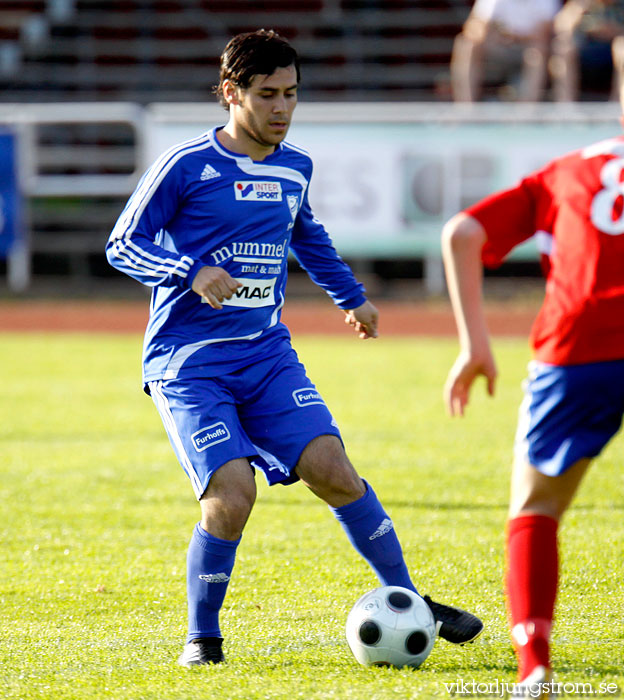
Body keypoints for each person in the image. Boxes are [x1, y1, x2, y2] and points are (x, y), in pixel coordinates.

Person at [106, 29, 483, 667]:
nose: (281, 108)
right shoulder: (185, 166)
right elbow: (122, 244)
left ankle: (409, 598)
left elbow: (306, 236)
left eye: (291, 95)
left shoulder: (295, 165)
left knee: (334, 471)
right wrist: (190, 271)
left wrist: (351, 297)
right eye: (267, 95)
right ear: (231, 94)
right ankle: (203, 637)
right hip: (190, 366)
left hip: (267, 356)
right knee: (232, 495)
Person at [441, 91, 624, 690]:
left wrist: (474, 345)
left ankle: (534, 665)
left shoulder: (565, 171)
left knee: (537, 509)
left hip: (579, 346)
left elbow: (463, 232)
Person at [450, 0, 560, 102]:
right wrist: (487, 31)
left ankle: (527, 110)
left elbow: (545, 33)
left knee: (537, 51)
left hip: (530, 50)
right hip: (499, 48)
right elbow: (473, 26)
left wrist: (513, 36)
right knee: (467, 45)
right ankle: (466, 107)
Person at [550, 0, 624, 102]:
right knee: (564, 48)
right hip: (586, 50)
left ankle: (618, 105)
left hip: (612, 51)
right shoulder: (581, 3)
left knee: (621, 47)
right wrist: (576, 12)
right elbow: (560, 26)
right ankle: (565, 105)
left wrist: (613, 31)